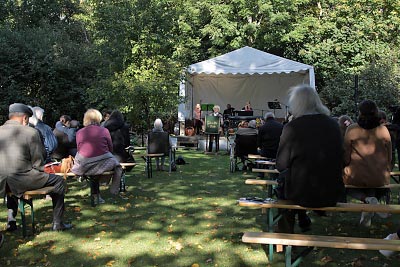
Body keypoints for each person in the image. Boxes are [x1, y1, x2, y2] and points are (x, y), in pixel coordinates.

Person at [276, 85, 345, 233]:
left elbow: (281, 164)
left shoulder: (292, 127)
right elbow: (342, 158)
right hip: (331, 191)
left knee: (284, 190)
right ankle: (303, 220)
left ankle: (284, 237)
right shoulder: (333, 125)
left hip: (302, 192)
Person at [0, 103, 72, 231]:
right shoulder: (31, 132)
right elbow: (38, 163)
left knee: (11, 180)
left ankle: (12, 220)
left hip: (2, 180)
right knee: (59, 181)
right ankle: (57, 223)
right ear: (25, 118)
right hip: (21, 179)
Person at [343, 100, 392, 227]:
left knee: (343, 185)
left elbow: (346, 156)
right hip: (379, 176)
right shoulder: (384, 131)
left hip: (356, 176)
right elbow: (389, 157)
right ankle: (369, 206)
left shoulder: (351, 129)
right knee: (372, 180)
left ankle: (367, 201)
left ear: (360, 112)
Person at [72, 109, 122, 204]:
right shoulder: (104, 130)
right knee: (117, 166)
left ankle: (90, 187)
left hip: (85, 163)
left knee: (90, 169)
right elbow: (110, 148)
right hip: (102, 162)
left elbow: (79, 149)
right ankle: (113, 189)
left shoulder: (79, 132)